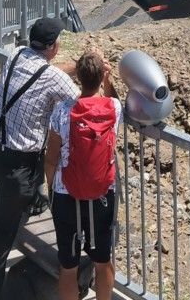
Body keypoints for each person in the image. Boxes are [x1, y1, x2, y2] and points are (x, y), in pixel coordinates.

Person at [0, 17, 79, 275]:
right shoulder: (53, 77)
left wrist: (78, 66)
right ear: (53, 46)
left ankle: (30, 201)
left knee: (22, 184)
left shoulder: (15, 54)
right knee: (1, 235)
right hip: (17, 168)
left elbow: (49, 72)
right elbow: (81, 101)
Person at [49, 50, 132, 300]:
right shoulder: (113, 108)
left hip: (65, 194)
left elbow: (51, 157)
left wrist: (51, 187)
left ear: (79, 78)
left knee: (68, 266)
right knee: (102, 261)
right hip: (101, 195)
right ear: (100, 77)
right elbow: (116, 101)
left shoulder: (63, 110)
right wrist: (108, 80)